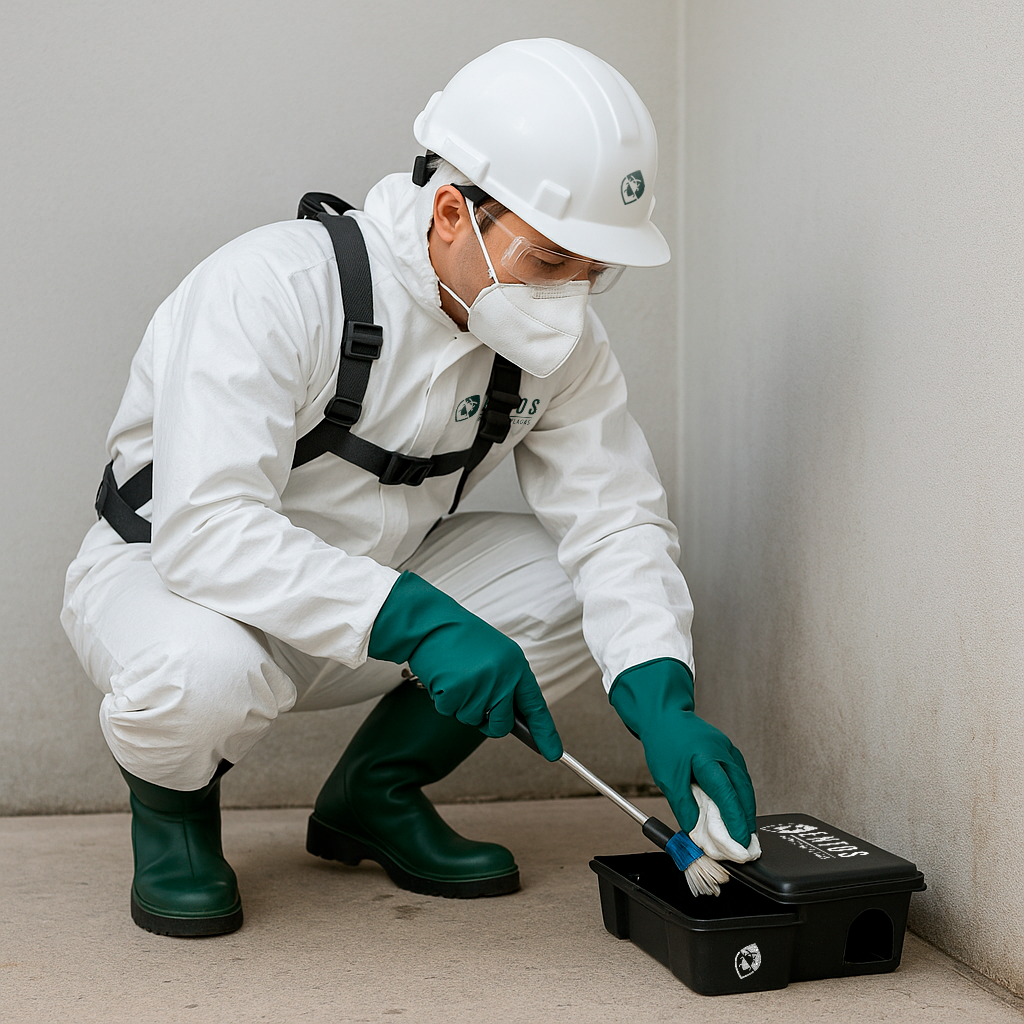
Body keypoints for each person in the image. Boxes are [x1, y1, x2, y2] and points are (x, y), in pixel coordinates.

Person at [61, 37, 757, 938]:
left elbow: (617, 520)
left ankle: (375, 795)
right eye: (551, 262)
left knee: (569, 585)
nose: (572, 300)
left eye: (594, 271)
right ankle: (172, 816)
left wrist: (664, 702)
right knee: (199, 675)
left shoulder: (558, 350)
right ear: (449, 214)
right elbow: (205, 531)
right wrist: (422, 622)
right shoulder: (275, 287)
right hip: (171, 582)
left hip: (375, 586)